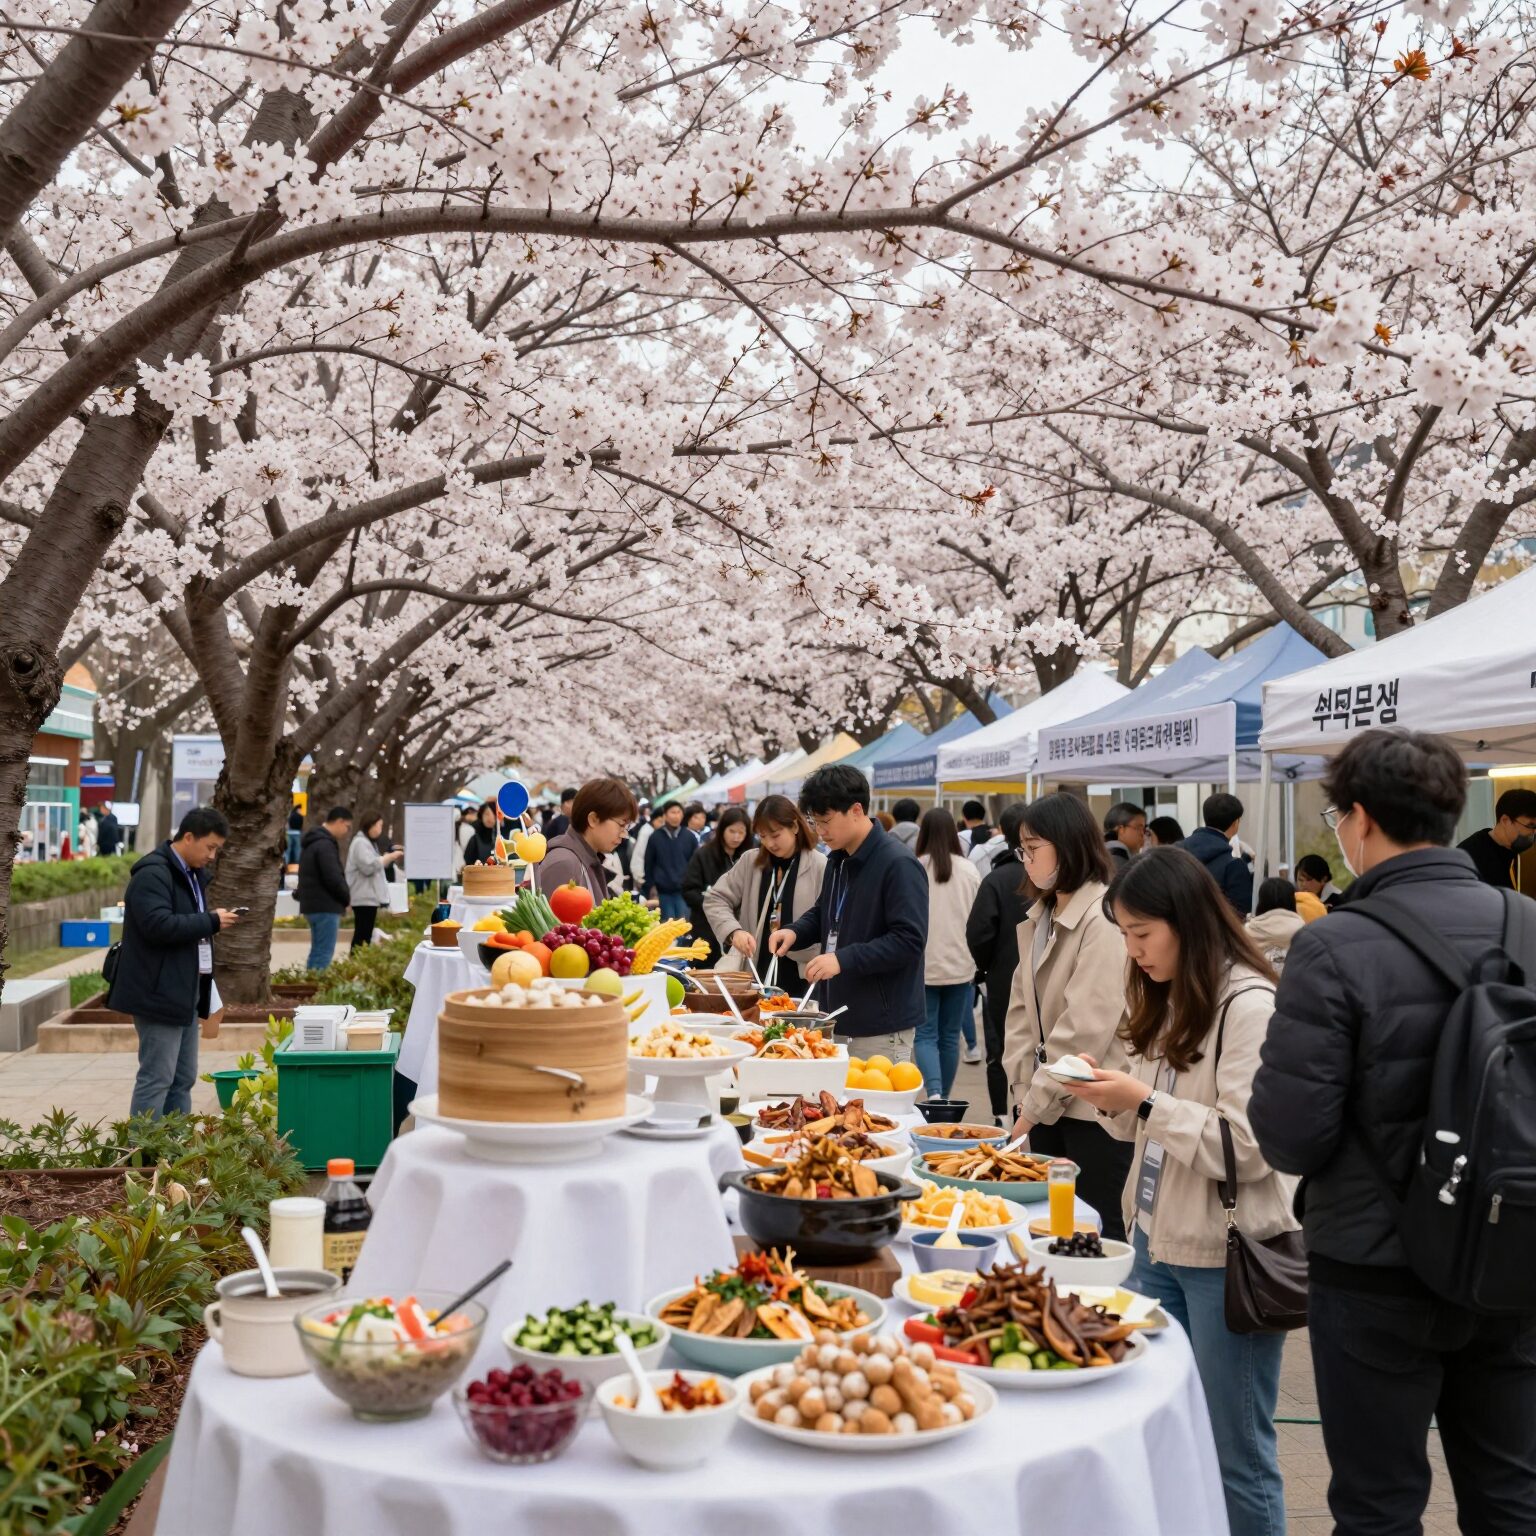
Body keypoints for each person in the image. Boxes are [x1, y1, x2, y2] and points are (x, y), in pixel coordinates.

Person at [1251, 729, 1536, 1535]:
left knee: (1378, 1503)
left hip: (1377, 1266)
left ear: (1363, 819)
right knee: (1513, 1494)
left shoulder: (1334, 944)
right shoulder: (1530, 926)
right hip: (1514, 1247)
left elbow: (1292, 1138)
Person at [1062, 847, 1293, 1536]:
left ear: (1187, 922)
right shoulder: (1172, 992)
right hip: (1154, 1237)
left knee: (1236, 1453)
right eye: (1125, 936)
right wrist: (1113, 1097)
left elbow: (1250, 1146)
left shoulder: (1251, 1003)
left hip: (1226, 1256)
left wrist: (1143, 1103)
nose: (1133, 953)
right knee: (1160, 1428)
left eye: (1142, 935)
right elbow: (1155, 1116)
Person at [1002, 792, 1134, 1241]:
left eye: (1033, 849)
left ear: (1069, 844)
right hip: (1047, 1102)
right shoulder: (1042, 914)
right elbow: (1021, 1013)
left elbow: (1083, 1033)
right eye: (1022, 849)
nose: (1025, 860)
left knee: (1093, 1230)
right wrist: (1023, 1094)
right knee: (1050, 1227)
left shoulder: (1102, 920)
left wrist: (1030, 1109)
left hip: (1093, 1110)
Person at [769, 765, 927, 1055]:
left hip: (881, 1024)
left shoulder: (897, 863)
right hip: (839, 1016)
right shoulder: (838, 858)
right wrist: (795, 931)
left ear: (856, 810)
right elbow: (825, 912)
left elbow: (909, 940)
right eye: (815, 822)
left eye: (826, 821)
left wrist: (842, 959)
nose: (821, 831)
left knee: (872, 1100)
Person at [109, 807, 241, 1118]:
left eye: (217, 850)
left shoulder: (192, 876)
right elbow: (157, 925)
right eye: (210, 847)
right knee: (157, 1078)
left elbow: (185, 924)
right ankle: (145, 1154)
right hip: (158, 992)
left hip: (185, 989)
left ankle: (174, 1149)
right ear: (188, 837)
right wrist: (210, 921)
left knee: (183, 1078)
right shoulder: (153, 874)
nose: (212, 856)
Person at [705, 795, 826, 991]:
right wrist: (733, 931)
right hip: (755, 968)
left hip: (803, 974)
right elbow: (716, 898)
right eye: (762, 836)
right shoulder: (751, 861)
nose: (770, 843)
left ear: (795, 827)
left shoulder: (820, 865)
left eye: (775, 835)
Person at [966, 805, 1033, 1124]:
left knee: (1000, 1049)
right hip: (1040, 979)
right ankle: (1027, 1114)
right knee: (1036, 1051)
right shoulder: (1049, 879)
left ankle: (1001, 1116)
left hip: (1002, 978)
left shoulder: (995, 879)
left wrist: (987, 966)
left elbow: (978, 932)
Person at [914, 808, 982, 1099]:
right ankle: (945, 1097)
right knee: (950, 1036)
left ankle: (934, 1092)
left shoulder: (915, 866)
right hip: (960, 962)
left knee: (926, 1034)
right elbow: (978, 917)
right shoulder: (969, 870)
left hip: (923, 964)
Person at [537, 778, 639, 902]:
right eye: (621, 825)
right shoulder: (564, 864)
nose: (624, 834)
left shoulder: (586, 858)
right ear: (593, 819)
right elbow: (554, 921)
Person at [681, 805, 753, 966]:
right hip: (706, 926)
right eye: (732, 831)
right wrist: (713, 903)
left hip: (740, 929)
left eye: (741, 832)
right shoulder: (704, 854)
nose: (736, 837)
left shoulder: (750, 857)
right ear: (722, 830)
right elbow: (688, 889)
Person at [298, 806, 352, 970]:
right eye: (347, 827)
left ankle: (310, 986)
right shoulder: (325, 845)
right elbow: (333, 877)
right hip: (325, 906)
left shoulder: (313, 842)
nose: (347, 831)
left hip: (312, 905)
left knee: (317, 952)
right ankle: (316, 990)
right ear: (339, 821)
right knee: (323, 954)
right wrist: (346, 898)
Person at [1181, 792, 1253, 915]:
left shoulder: (1176, 852)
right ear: (1236, 823)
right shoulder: (1234, 866)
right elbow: (1241, 912)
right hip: (1215, 932)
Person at [1456, 786, 1536, 891]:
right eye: (1530, 826)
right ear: (1505, 820)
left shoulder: (1520, 852)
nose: (1534, 832)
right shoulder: (1468, 856)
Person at [346, 812, 401, 952]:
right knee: (362, 935)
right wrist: (388, 858)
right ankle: (355, 965)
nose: (380, 829)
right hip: (363, 897)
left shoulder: (366, 842)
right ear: (371, 825)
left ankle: (357, 964)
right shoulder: (360, 843)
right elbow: (368, 866)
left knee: (364, 934)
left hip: (368, 896)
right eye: (379, 825)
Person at [644, 800, 698, 922]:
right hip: (663, 892)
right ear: (665, 815)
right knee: (666, 928)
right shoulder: (655, 837)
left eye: (679, 812)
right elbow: (649, 864)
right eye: (673, 812)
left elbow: (695, 864)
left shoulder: (690, 837)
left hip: (683, 891)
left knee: (684, 925)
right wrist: (651, 886)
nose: (676, 816)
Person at [1245, 876, 1304, 973]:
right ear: (1292, 901)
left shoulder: (1248, 932)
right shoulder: (1303, 931)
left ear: (1261, 902)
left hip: (1258, 984)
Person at [630, 804, 665, 890]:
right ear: (654, 819)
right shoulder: (647, 831)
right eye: (660, 821)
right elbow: (640, 854)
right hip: (641, 874)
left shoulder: (653, 831)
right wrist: (640, 876)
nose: (662, 825)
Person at [463, 801, 501, 865]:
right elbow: (468, 862)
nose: (490, 818)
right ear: (481, 816)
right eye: (487, 814)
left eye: (493, 814)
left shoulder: (499, 838)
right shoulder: (475, 839)